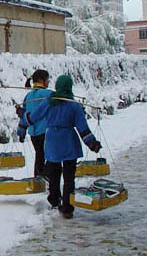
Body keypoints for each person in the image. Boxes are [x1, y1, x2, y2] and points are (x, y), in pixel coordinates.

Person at [17, 74, 101, 219]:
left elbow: (32, 117)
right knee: (69, 177)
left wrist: (21, 115)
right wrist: (93, 144)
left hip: (52, 142)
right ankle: (67, 208)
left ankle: (54, 199)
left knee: (55, 173)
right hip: (68, 141)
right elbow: (83, 129)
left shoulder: (49, 102)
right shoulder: (73, 105)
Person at [15, 69, 52, 179]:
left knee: (39, 156)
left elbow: (24, 116)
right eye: (47, 80)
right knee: (50, 156)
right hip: (46, 131)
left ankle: (38, 179)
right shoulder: (48, 94)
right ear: (41, 80)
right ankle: (45, 176)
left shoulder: (28, 96)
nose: (48, 82)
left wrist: (21, 132)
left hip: (33, 134)